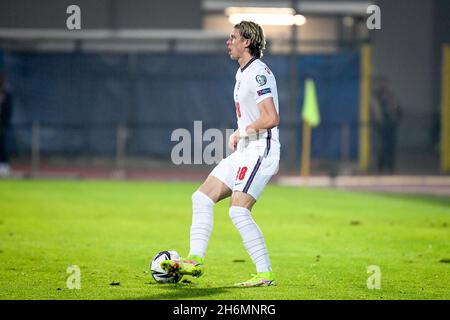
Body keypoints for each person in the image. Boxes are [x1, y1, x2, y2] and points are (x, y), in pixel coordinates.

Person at [161, 21, 280, 287]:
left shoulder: (258, 73)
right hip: (246, 150)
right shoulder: (242, 73)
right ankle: (195, 260)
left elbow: (272, 118)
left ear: (246, 42)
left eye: (233, 37)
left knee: (238, 211)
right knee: (201, 198)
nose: (228, 42)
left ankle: (265, 274)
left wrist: (243, 131)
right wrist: (242, 134)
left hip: (261, 150)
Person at [371, 76, 402, 174]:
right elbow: (374, 111)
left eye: (385, 83)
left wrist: (396, 119)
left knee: (391, 148)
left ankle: (391, 169)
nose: (383, 85)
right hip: (380, 126)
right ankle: (380, 169)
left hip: (391, 125)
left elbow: (398, 109)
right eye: (381, 83)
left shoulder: (392, 96)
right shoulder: (375, 96)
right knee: (381, 148)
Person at [0, 73, 13, 175]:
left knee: (3, 144)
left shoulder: (6, 94)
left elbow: (8, 110)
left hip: (2, 124)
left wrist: (4, 123)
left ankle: (4, 165)